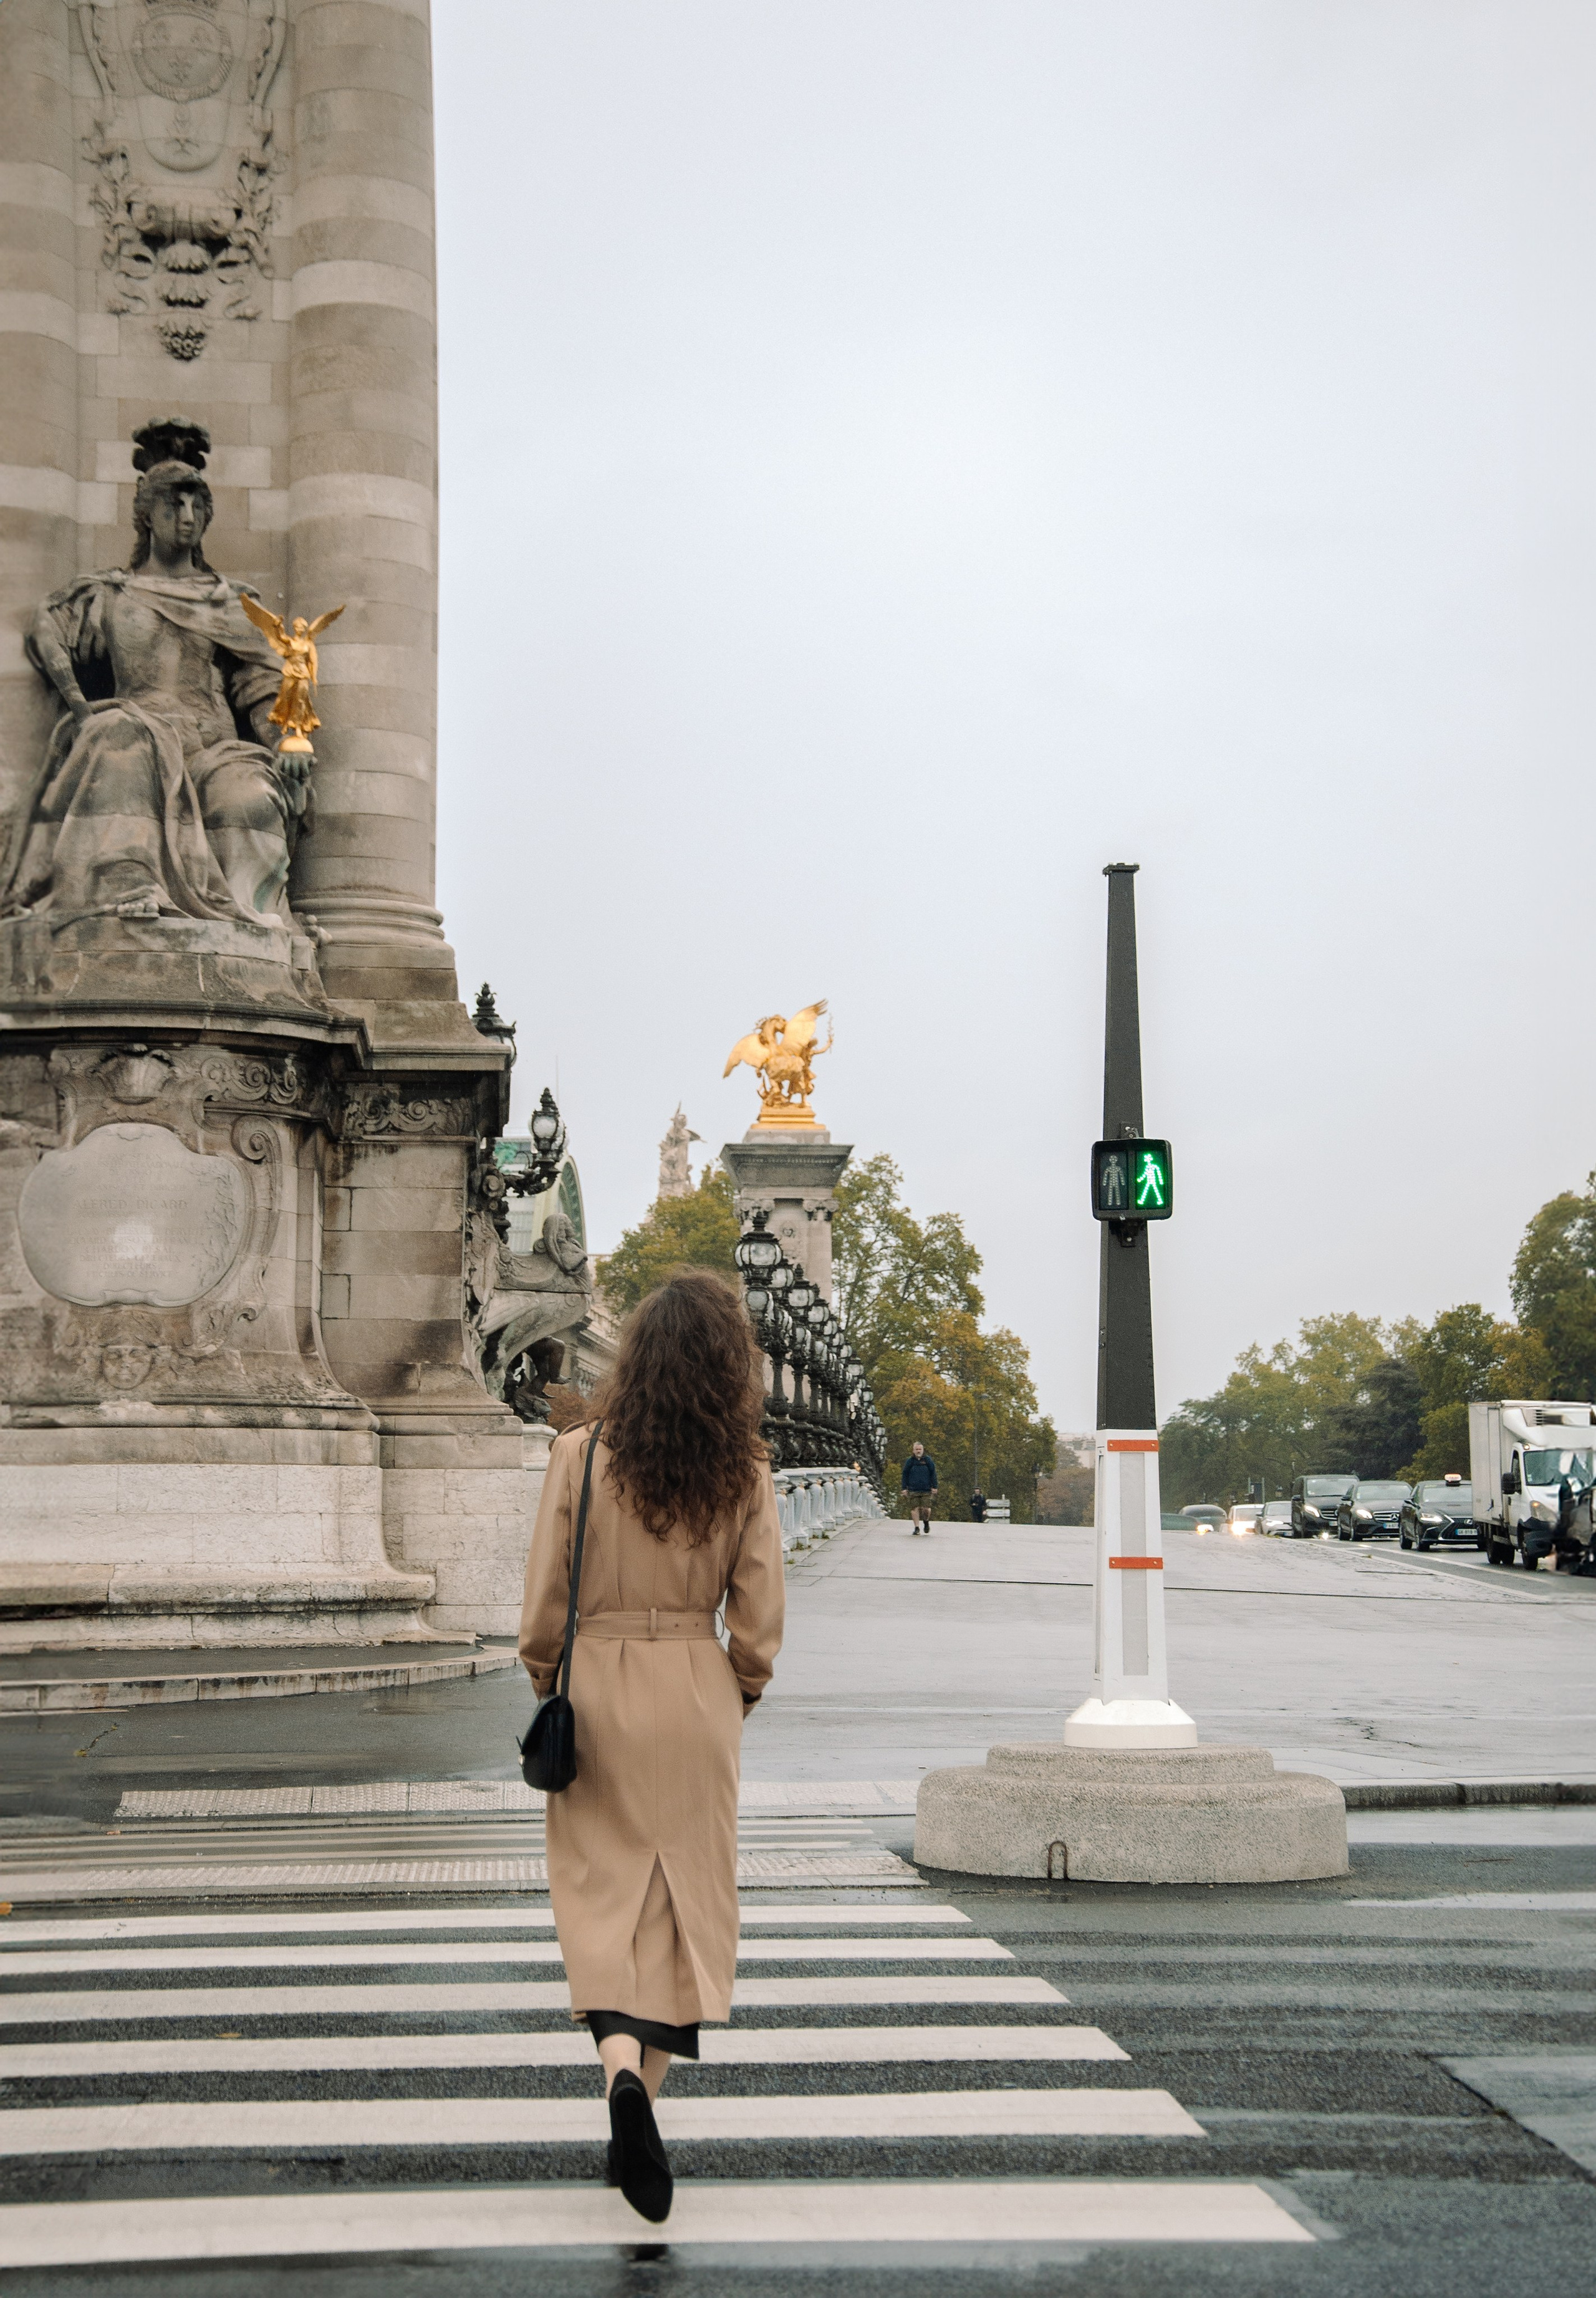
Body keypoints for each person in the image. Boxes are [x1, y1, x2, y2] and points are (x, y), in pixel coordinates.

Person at [519, 1270, 785, 2224]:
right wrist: (733, 1689)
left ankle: (618, 2071)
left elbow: (546, 1601)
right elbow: (757, 1622)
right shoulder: (744, 1470)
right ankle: (641, 2102)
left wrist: (550, 1678)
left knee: (603, 1898)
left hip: (598, 1686)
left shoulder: (579, 1455)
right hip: (696, 1691)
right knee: (681, 1907)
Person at [901, 1440, 938, 1534]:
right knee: (915, 1508)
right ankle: (917, 1528)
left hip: (926, 1489)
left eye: (920, 1449)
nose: (918, 1451)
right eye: (917, 1449)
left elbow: (933, 1473)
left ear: (923, 1450)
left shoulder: (927, 1460)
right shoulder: (910, 1461)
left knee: (926, 1509)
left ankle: (926, 1522)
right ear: (913, 1451)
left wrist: (935, 1487)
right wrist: (904, 1488)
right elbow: (905, 1474)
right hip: (913, 1489)